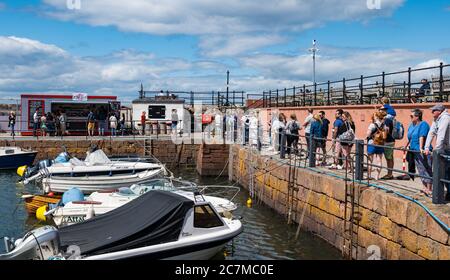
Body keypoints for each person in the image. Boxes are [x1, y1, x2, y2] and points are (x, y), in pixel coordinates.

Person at [424, 104, 450, 200]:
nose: (432, 112)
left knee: (446, 172)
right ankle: (447, 193)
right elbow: (431, 133)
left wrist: (437, 150)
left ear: (439, 111)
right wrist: (426, 147)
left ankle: (447, 194)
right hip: (445, 149)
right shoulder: (437, 119)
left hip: (447, 149)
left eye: (433, 110)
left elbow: (441, 134)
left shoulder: (445, 118)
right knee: (445, 172)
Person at [407, 109, 433, 196]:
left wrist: (421, 148)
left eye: (412, 116)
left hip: (423, 151)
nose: (410, 118)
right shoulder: (412, 125)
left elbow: (422, 136)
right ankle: (424, 187)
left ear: (417, 116)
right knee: (420, 169)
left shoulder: (423, 124)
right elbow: (410, 137)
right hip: (414, 151)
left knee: (427, 168)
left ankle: (429, 189)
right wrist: (406, 145)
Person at [366, 111, 387, 180]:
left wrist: (367, 136)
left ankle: (369, 175)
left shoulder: (372, 125)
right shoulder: (384, 125)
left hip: (372, 143)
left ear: (377, 117)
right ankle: (377, 176)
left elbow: (368, 134)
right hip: (380, 144)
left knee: (370, 160)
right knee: (379, 160)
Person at [379, 106, 395, 180]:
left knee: (389, 158)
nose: (380, 111)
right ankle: (389, 173)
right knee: (389, 158)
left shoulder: (387, 120)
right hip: (389, 141)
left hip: (388, 141)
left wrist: (383, 137)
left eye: (382, 109)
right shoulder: (387, 119)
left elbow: (386, 130)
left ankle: (389, 174)